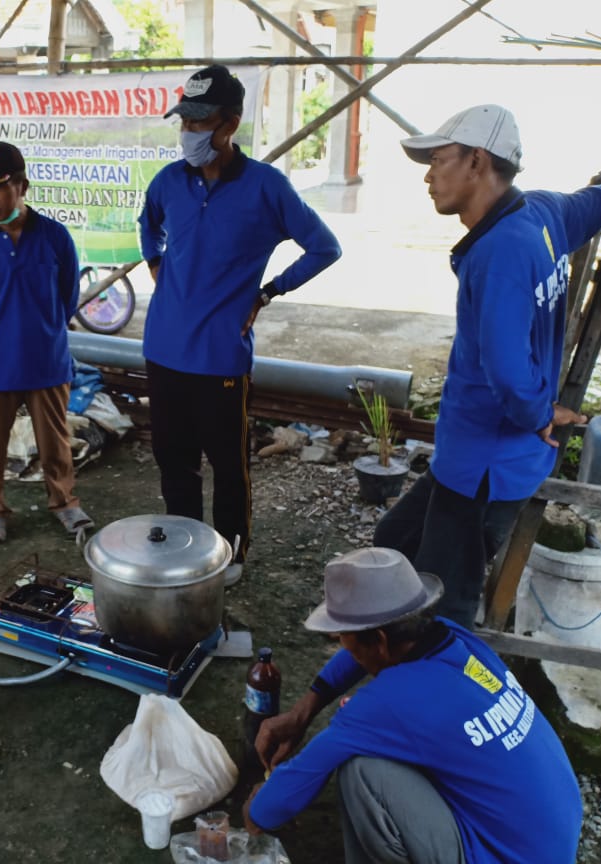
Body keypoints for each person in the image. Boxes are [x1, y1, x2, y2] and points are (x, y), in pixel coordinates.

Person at [373, 104, 601, 627]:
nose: (428, 176)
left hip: (483, 466)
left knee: (443, 609)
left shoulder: (499, 253)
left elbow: (507, 371)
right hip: (477, 455)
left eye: (437, 160)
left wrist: (538, 413)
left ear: (477, 161)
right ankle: (386, 650)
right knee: (393, 541)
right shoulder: (542, 212)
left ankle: (445, 676)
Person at [245, 547, 582, 863]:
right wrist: (303, 711)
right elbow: (363, 652)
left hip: (504, 855)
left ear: (378, 641)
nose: (344, 648)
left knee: (361, 772)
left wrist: (257, 808)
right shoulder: (454, 639)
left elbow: (288, 792)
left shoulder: (388, 702)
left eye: (344, 639)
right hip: (545, 838)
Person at [138, 64, 342, 586]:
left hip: (221, 357)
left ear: (230, 124)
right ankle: (185, 547)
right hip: (162, 350)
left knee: (229, 465)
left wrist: (269, 291)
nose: (188, 132)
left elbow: (325, 248)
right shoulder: (169, 182)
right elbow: (148, 222)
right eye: (184, 121)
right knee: (174, 461)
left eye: (199, 122)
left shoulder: (266, 188)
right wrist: (155, 261)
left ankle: (231, 553)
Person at [0, 140, 93, 543]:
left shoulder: (54, 237)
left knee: (55, 442)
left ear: (22, 186)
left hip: (46, 360)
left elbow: (67, 296)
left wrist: (41, 328)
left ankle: (64, 502)